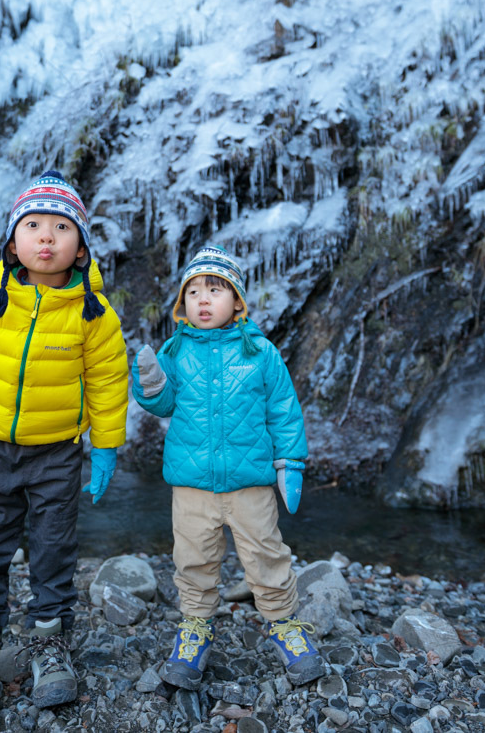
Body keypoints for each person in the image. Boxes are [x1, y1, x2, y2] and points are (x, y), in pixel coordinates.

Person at [0, 169, 128, 707]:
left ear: (82, 248)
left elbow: (109, 380)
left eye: (62, 228)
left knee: (53, 547)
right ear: (13, 242)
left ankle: (50, 642)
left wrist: (107, 444)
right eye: (34, 225)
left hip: (58, 453)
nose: (47, 238)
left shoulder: (93, 315)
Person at [131, 245, 324, 689]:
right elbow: (163, 404)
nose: (202, 299)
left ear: (237, 300)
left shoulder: (260, 351)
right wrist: (150, 383)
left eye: (214, 290)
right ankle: (195, 627)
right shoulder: (175, 350)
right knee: (193, 557)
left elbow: (283, 409)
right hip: (192, 484)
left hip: (249, 483)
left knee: (266, 554)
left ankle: (284, 625)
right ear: (183, 303)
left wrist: (290, 462)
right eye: (194, 291)